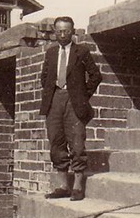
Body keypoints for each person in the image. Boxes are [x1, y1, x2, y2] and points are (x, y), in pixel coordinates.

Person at [40, 16, 102, 201]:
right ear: (54, 32)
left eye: (66, 31)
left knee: (76, 142)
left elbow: (96, 76)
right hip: (54, 101)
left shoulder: (81, 51)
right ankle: (63, 186)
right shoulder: (51, 53)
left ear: (72, 32)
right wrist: (52, 93)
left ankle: (77, 187)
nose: (62, 35)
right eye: (59, 31)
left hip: (74, 102)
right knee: (56, 142)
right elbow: (44, 77)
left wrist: (82, 96)